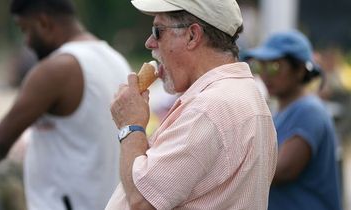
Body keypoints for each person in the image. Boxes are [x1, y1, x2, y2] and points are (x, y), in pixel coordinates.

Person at [0, 0, 131, 209]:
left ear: (43, 22)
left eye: (25, 29)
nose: (26, 42)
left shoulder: (57, 69)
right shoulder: (116, 59)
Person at [106, 0, 278, 209]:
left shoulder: (209, 107)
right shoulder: (243, 94)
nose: (150, 42)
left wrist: (130, 126)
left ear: (192, 35)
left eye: (158, 30)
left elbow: (142, 200)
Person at [242, 30, 342, 210]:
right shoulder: (280, 112)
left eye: (275, 67)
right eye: (259, 66)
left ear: (300, 70)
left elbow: (281, 171)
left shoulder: (309, 111)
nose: (265, 75)